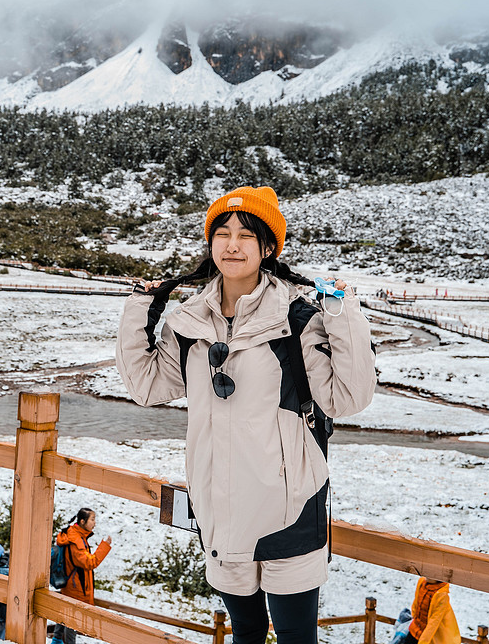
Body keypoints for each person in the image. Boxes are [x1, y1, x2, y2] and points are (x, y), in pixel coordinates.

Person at [116, 186, 376, 644]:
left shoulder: (297, 318)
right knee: (246, 633)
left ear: (269, 247)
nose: (232, 244)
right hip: (220, 507)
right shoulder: (188, 322)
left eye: (246, 234)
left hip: (290, 507)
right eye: (222, 232)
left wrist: (341, 311)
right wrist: (142, 308)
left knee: (297, 638)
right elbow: (147, 387)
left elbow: (347, 398)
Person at [50, 508, 112, 644]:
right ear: (82, 521)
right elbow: (90, 562)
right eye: (92, 519)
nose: (94, 523)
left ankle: (56, 640)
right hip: (76, 587)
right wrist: (105, 546)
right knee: (73, 622)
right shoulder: (76, 540)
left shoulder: (75, 534)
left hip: (72, 585)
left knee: (65, 614)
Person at [407, 577, 460, 644]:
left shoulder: (442, 595)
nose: (426, 575)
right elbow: (416, 602)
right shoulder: (422, 582)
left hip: (427, 636)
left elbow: (434, 622)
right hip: (414, 629)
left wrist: (423, 642)